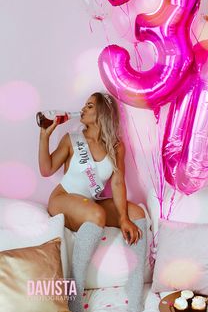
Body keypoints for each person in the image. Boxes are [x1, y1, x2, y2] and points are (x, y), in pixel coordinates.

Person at [38, 92, 147, 312]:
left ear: (102, 113)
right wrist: (44, 136)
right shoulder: (72, 139)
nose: (83, 109)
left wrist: (124, 218)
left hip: (90, 202)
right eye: (85, 106)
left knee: (137, 213)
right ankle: (74, 297)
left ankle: (135, 294)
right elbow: (46, 169)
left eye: (89, 106)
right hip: (63, 198)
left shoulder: (116, 147)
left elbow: (117, 184)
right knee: (97, 215)